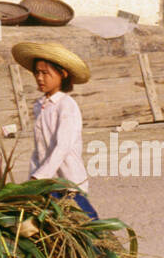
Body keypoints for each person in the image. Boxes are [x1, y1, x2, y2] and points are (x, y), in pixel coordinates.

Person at [11, 40, 99, 219]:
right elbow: (40, 149)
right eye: (37, 73)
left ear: (63, 74)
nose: (40, 78)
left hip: (68, 183)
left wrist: (40, 176)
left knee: (88, 229)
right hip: (47, 185)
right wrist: (33, 177)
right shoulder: (39, 106)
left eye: (45, 73)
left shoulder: (66, 105)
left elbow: (62, 147)